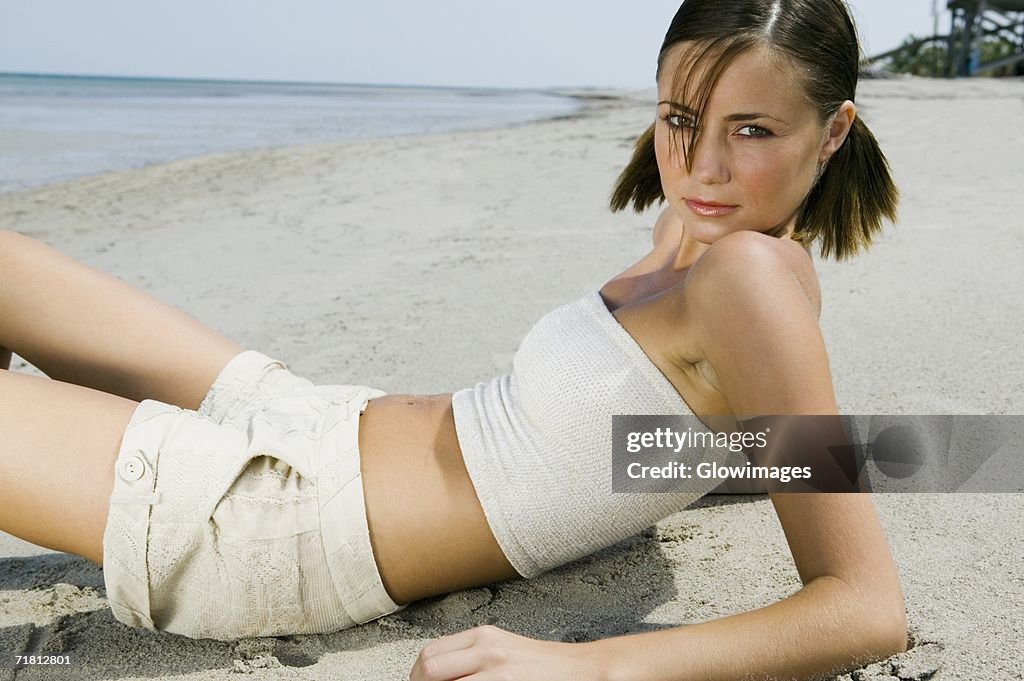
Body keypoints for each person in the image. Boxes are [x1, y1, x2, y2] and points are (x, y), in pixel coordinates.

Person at [0, 0, 908, 678]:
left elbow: (864, 609)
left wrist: (587, 665)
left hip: (274, 527)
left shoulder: (748, 279)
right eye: (681, 120)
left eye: (751, 130)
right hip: (308, 418)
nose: (703, 166)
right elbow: (686, 443)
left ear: (833, 132)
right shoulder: (698, 234)